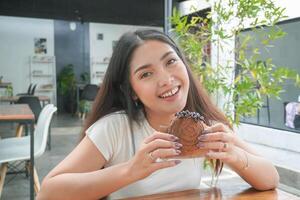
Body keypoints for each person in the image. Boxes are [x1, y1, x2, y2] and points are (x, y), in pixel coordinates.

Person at [37, 29, 279, 200]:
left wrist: (234, 155)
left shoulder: (204, 127)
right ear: (131, 91)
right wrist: (130, 170)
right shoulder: (115, 129)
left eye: (171, 61)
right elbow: (48, 192)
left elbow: (270, 179)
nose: (165, 79)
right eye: (146, 74)